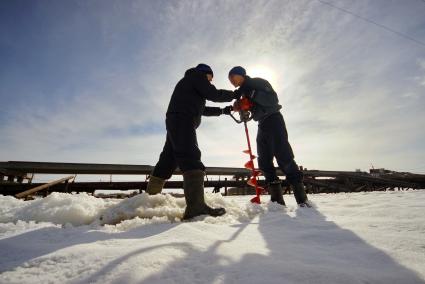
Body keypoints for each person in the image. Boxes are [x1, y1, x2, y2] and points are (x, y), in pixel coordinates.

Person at [146, 63, 236, 220]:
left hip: (177, 120)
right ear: (205, 73)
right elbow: (213, 94)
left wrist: (223, 111)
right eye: (210, 78)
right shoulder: (196, 77)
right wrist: (235, 94)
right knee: (191, 156)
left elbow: (203, 109)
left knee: (167, 161)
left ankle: (149, 201)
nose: (211, 81)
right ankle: (196, 207)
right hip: (182, 120)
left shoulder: (190, 87)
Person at [228, 66, 310, 207]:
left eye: (232, 77)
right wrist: (243, 110)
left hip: (274, 120)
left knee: (284, 159)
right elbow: (252, 109)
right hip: (262, 124)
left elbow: (272, 100)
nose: (231, 81)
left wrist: (251, 97)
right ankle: (277, 203)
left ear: (240, 75)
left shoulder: (257, 83)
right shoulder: (243, 93)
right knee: (264, 162)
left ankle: (302, 201)